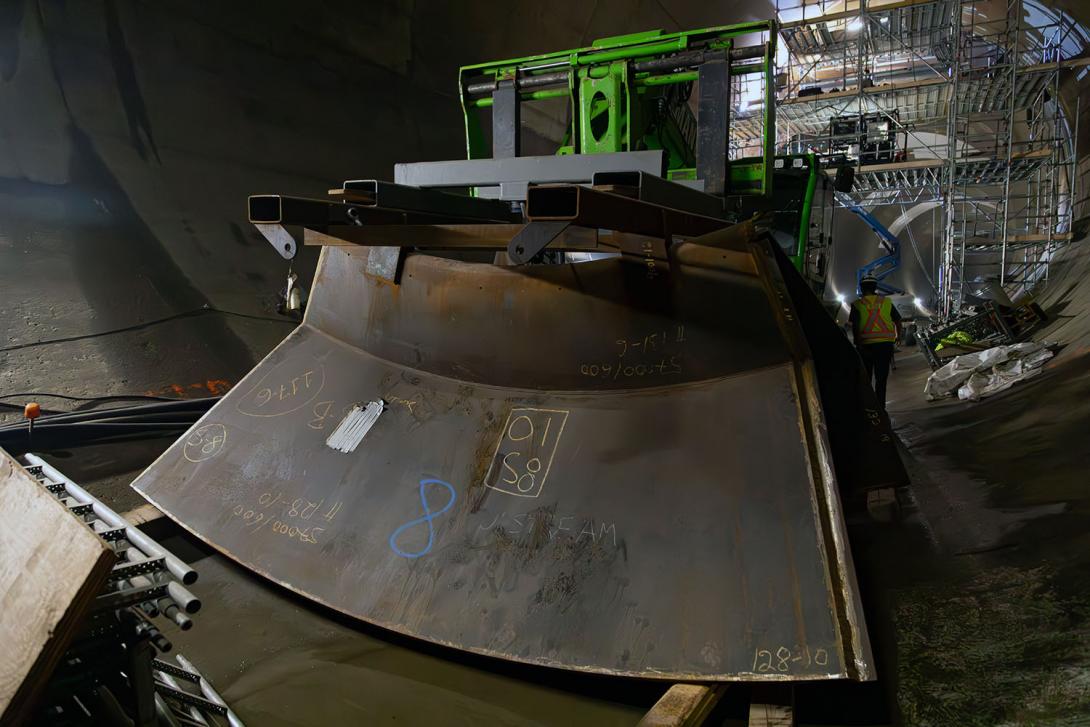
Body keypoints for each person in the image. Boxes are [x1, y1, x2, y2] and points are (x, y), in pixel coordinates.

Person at [850, 275, 902, 409]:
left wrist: (858, 344)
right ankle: (880, 408)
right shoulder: (886, 302)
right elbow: (897, 320)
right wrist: (898, 336)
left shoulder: (857, 304)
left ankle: (868, 408)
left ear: (861, 288)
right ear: (875, 288)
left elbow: (855, 326)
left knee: (866, 379)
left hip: (866, 346)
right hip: (885, 345)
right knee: (881, 379)